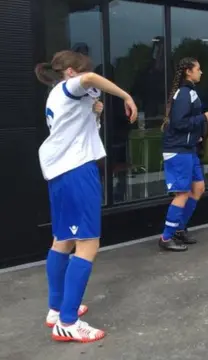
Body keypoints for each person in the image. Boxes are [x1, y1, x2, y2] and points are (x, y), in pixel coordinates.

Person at [35, 50, 137, 342]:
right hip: (76, 170)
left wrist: (95, 114)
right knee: (88, 242)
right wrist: (127, 96)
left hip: (61, 171)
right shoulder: (70, 86)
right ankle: (67, 321)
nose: (88, 77)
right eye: (81, 72)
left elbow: (81, 127)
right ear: (69, 72)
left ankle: (56, 310)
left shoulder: (58, 95)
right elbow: (90, 78)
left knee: (63, 240)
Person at [159, 57, 208, 251]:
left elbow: (183, 123)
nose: (201, 72)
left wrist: (196, 137)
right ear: (188, 72)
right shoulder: (184, 93)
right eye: (198, 69)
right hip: (178, 150)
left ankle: (178, 229)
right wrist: (203, 118)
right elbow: (179, 123)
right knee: (182, 193)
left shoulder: (189, 92)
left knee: (198, 188)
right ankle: (166, 237)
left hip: (187, 149)